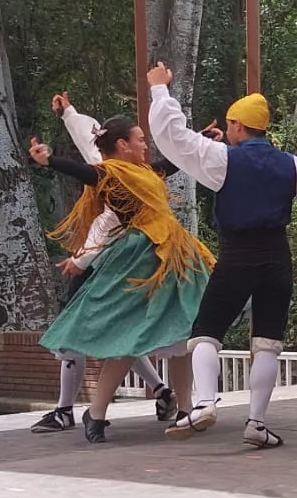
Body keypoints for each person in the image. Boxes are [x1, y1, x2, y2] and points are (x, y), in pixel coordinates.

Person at [146, 64, 297, 448]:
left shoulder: (224, 159)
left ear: (239, 126)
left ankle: (205, 402)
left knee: (205, 332)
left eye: (230, 125)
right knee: (268, 340)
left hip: (237, 255)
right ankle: (256, 422)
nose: (227, 131)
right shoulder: (293, 165)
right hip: (277, 257)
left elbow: (174, 138)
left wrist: (160, 91)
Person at [30, 116, 213, 442]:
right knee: (129, 335)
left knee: (184, 331)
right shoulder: (111, 173)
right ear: (122, 144)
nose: (145, 144)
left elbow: (170, 165)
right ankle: (96, 412)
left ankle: (185, 408)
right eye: (140, 139)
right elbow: (85, 171)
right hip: (140, 257)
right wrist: (50, 161)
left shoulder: (145, 172)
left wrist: (201, 138)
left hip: (173, 253)